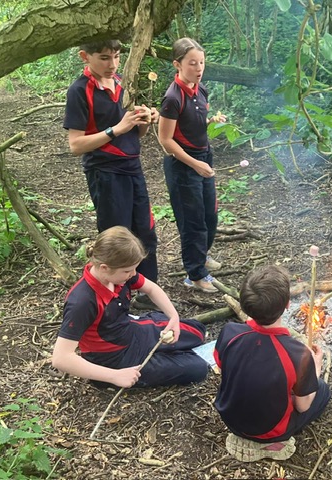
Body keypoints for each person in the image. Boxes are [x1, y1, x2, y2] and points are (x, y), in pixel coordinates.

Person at [64, 39, 160, 310]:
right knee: (117, 236)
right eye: (104, 58)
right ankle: (115, 297)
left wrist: (143, 120)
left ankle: (146, 290)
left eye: (117, 56)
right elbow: (75, 145)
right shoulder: (80, 91)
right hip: (104, 172)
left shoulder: (121, 83)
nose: (113, 64)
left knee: (145, 231)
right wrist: (116, 129)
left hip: (132, 168)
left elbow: (134, 134)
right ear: (85, 56)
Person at [52, 226, 209, 388]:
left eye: (135, 269)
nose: (133, 274)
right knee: (198, 368)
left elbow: (151, 288)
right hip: (113, 360)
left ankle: (161, 340)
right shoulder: (82, 301)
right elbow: (61, 358)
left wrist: (174, 317)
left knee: (197, 331)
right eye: (128, 270)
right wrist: (115, 376)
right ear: (104, 267)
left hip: (131, 333)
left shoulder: (120, 275)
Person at [213, 265, 331, 462]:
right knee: (323, 389)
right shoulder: (298, 354)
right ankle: (273, 443)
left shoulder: (230, 332)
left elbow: (221, 366)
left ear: (243, 303)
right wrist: (315, 367)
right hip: (272, 430)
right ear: (287, 304)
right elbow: (302, 406)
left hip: (231, 420)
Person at [158, 38, 225, 293]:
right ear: (177, 64)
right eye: (192, 63)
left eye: (202, 63)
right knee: (193, 220)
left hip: (202, 159)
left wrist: (211, 121)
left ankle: (202, 255)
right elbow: (165, 140)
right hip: (183, 166)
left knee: (210, 215)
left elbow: (193, 123)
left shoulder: (201, 89)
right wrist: (195, 164)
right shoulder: (172, 98)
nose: (198, 68)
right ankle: (195, 274)